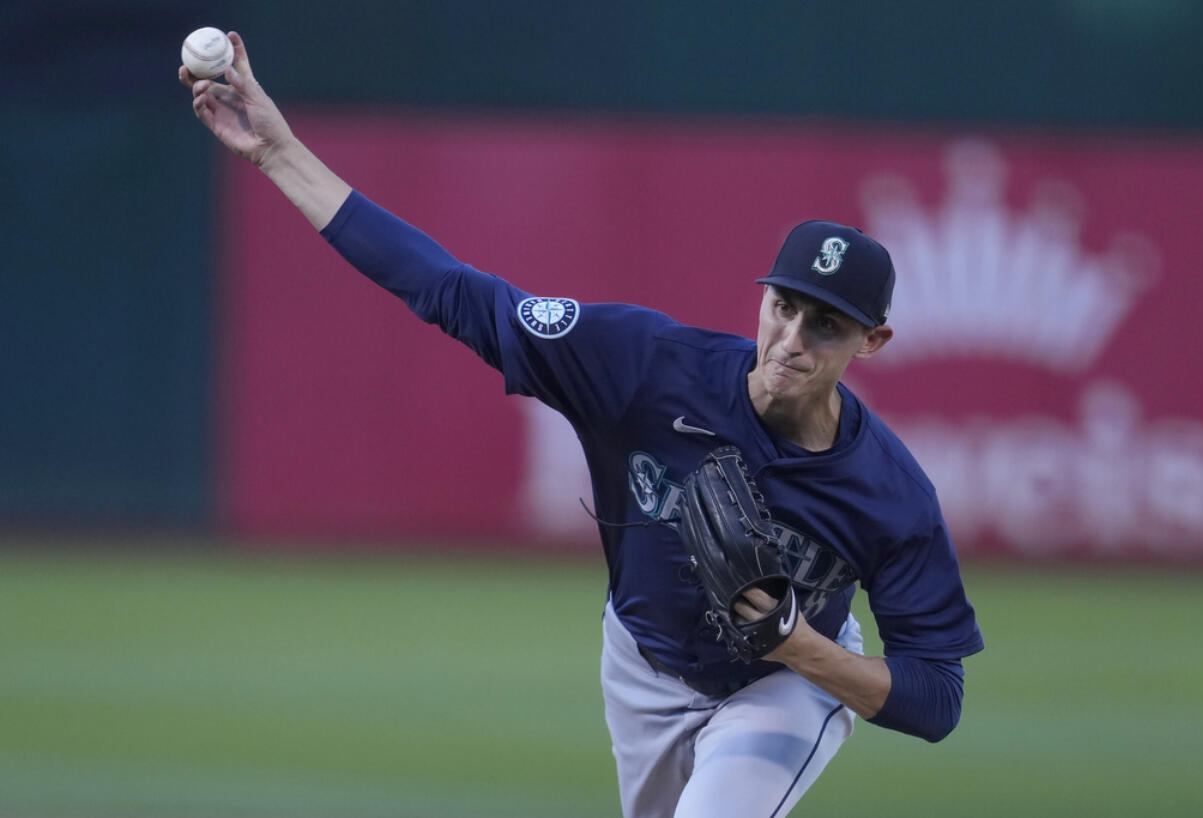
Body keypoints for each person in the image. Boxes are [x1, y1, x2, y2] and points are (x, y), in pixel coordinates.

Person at [182, 32, 984, 818]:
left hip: (786, 684)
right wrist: (279, 154)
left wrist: (799, 646)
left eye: (828, 327)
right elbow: (452, 293)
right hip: (640, 666)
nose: (793, 341)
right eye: (786, 307)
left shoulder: (887, 491)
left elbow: (936, 697)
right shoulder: (643, 365)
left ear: (873, 342)